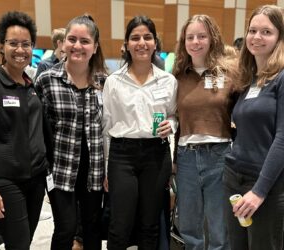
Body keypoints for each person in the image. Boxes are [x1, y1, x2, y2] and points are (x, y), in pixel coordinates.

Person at [223, 5, 284, 250]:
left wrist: (259, 191)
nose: (257, 37)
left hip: (268, 186)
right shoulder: (249, 77)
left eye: (266, 32)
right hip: (235, 179)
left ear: (281, 37)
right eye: (252, 30)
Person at [0, 11, 50, 249]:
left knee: (25, 240)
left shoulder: (31, 84)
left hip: (36, 180)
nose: (20, 50)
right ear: (1, 45)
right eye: (13, 43)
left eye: (26, 44)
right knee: (19, 243)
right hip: (5, 181)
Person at [102, 15, 177, 249]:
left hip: (156, 154)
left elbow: (174, 115)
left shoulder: (168, 81)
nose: (141, 43)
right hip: (121, 156)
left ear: (155, 43)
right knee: (120, 224)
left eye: (147, 37)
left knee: (150, 224)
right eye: (135, 38)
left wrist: (171, 125)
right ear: (126, 44)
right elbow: (106, 126)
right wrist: (106, 168)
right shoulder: (114, 81)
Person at [35, 14, 107, 250]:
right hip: (60, 167)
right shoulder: (46, 80)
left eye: (85, 41)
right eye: (72, 39)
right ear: (63, 42)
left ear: (95, 47)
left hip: (94, 168)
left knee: (92, 225)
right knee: (66, 227)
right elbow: (37, 129)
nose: (77, 46)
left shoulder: (105, 82)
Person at [172, 14, 238, 250]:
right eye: (190, 37)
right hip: (186, 157)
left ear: (212, 39)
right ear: (184, 41)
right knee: (190, 227)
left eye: (201, 36)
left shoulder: (230, 74)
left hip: (220, 156)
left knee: (219, 227)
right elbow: (173, 120)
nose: (196, 42)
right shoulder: (177, 76)